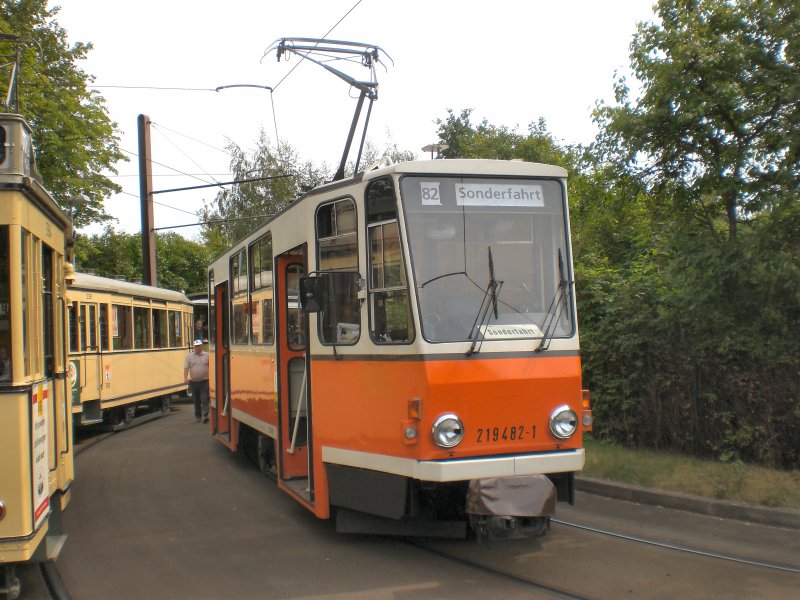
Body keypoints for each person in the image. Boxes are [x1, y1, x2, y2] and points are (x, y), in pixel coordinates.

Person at [184, 339, 209, 423]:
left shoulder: (207, 355)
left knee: (204, 398)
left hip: (204, 380)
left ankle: (205, 415)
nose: (197, 347)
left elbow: (211, 366)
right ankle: (198, 416)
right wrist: (185, 378)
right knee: (196, 400)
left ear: (201, 346)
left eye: (199, 346)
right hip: (193, 382)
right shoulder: (189, 356)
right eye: (196, 346)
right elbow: (186, 367)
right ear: (194, 347)